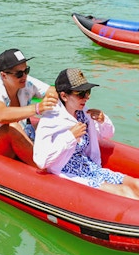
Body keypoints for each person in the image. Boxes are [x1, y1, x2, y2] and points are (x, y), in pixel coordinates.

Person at [33, 68, 139, 199]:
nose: (87, 97)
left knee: (136, 185)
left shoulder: (84, 114)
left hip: (90, 168)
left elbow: (108, 134)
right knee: (124, 193)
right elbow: (41, 161)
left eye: (88, 92)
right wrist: (69, 137)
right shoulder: (50, 120)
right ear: (64, 96)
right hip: (69, 173)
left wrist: (103, 121)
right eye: (81, 94)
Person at [0, 48, 58, 165]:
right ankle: (43, 167)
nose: (24, 76)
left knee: (51, 118)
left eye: (26, 70)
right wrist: (37, 108)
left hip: (24, 133)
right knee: (12, 127)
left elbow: (54, 92)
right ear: (4, 75)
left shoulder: (26, 82)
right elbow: (1, 115)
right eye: (19, 74)